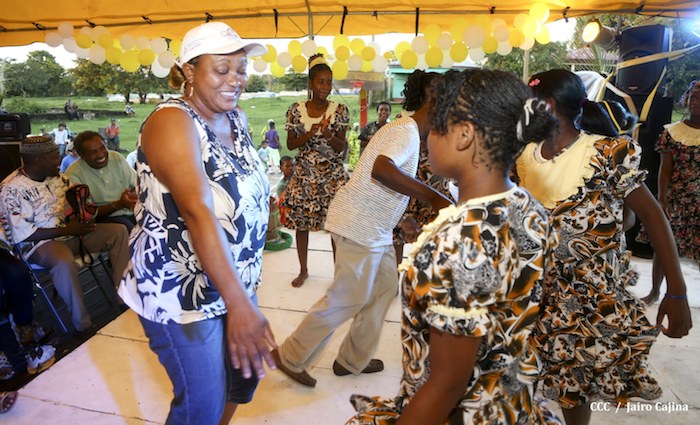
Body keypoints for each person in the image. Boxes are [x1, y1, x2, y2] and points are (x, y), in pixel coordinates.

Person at [346, 68, 561, 425]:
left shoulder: (459, 242)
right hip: (510, 401)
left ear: (463, 135)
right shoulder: (527, 206)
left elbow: (447, 385)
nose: (428, 137)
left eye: (436, 126)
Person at [117, 22, 276, 425]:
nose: (235, 79)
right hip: (181, 293)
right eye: (221, 69)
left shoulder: (236, 118)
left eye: (241, 69)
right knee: (201, 407)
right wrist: (240, 305)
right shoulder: (172, 121)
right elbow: (197, 210)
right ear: (189, 70)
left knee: (242, 381)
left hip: (232, 279)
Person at [516, 69, 692, 425]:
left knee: (574, 382)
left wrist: (677, 291)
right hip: (532, 292)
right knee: (524, 376)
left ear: (547, 105)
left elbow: (653, 217)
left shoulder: (606, 152)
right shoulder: (523, 156)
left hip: (587, 299)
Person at [272, 69, 452, 388]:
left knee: (384, 288)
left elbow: (380, 179)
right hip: (359, 224)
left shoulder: (405, 130)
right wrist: (434, 197)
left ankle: (351, 360)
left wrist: (401, 217)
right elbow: (382, 170)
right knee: (347, 297)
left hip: (375, 227)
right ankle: (290, 355)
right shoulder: (406, 132)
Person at [0, 136, 129, 332]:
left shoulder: (59, 178)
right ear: (39, 160)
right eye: (55, 156)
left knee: (118, 231)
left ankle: (125, 299)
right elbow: (22, 235)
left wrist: (84, 213)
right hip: (39, 244)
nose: (60, 159)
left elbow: (77, 208)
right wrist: (68, 230)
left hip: (71, 233)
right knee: (63, 260)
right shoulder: (11, 189)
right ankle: (83, 325)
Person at [281, 53, 350, 288]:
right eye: (321, 82)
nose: (326, 87)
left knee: (335, 227)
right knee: (302, 225)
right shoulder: (295, 110)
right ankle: (303, 270)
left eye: (329, 82)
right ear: (311, 83)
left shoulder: (339, 110)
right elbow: (291, 144)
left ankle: (338, 276)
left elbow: (341, 148)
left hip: (332, 178)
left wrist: (329, 134)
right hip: (305, 177)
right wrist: (311, 133)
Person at [640, 80, 699, 304]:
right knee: (664, 247)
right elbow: (665, 170)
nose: (695, 102)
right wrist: (662, 198)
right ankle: (655, 291)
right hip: (676, 198)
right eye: (692, 97)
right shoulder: (673, 133)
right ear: (686, 100)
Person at [391, 71, 455, 265]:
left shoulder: (444, 118)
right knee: (399, 235)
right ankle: (395, 273)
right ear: (423, 90)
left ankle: (425, 271)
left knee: (432, 235)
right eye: (434, 87)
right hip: (409, 180)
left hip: (435, 183)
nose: (440, 91)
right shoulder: (403, 119)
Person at [66, 131, 138, 233]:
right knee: (132, 232)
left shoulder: (116, 158)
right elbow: (87, 213)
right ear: (82, 155)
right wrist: (119, 204)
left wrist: (132, 196)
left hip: (132, 212)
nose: (100, 154)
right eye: (93, 152)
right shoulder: (74, 174)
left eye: (102, 148)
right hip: (104, 219)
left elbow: (137, 184)